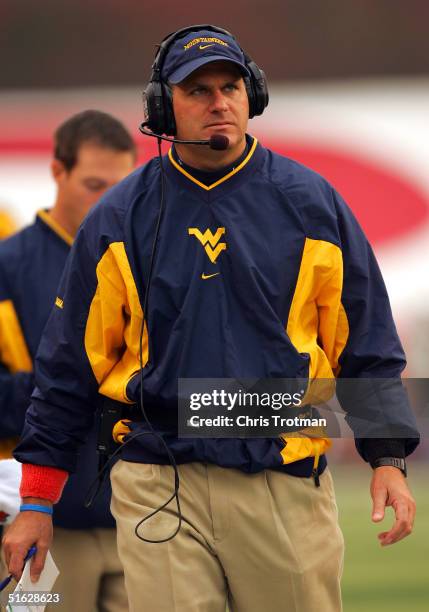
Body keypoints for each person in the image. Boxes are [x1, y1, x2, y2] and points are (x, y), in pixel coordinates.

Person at [2, 26, 419, 612]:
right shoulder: (117, 218)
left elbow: (367, 340)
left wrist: (388, 458)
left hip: (282, 477)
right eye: (197, 90)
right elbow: (68, 364)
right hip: (156, 480)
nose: (219, 102)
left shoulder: (311, 204)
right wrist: (39, 501)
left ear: (254, 96)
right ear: (160, 107)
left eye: (231, 86)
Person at [0, 109, 136, 611]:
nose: (109, 200)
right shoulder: (7, 266)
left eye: (120, 186)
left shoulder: (147, 263)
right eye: (94, 184)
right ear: (57, 171)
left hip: (143, 521)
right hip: (39, 524)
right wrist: (67, 387)